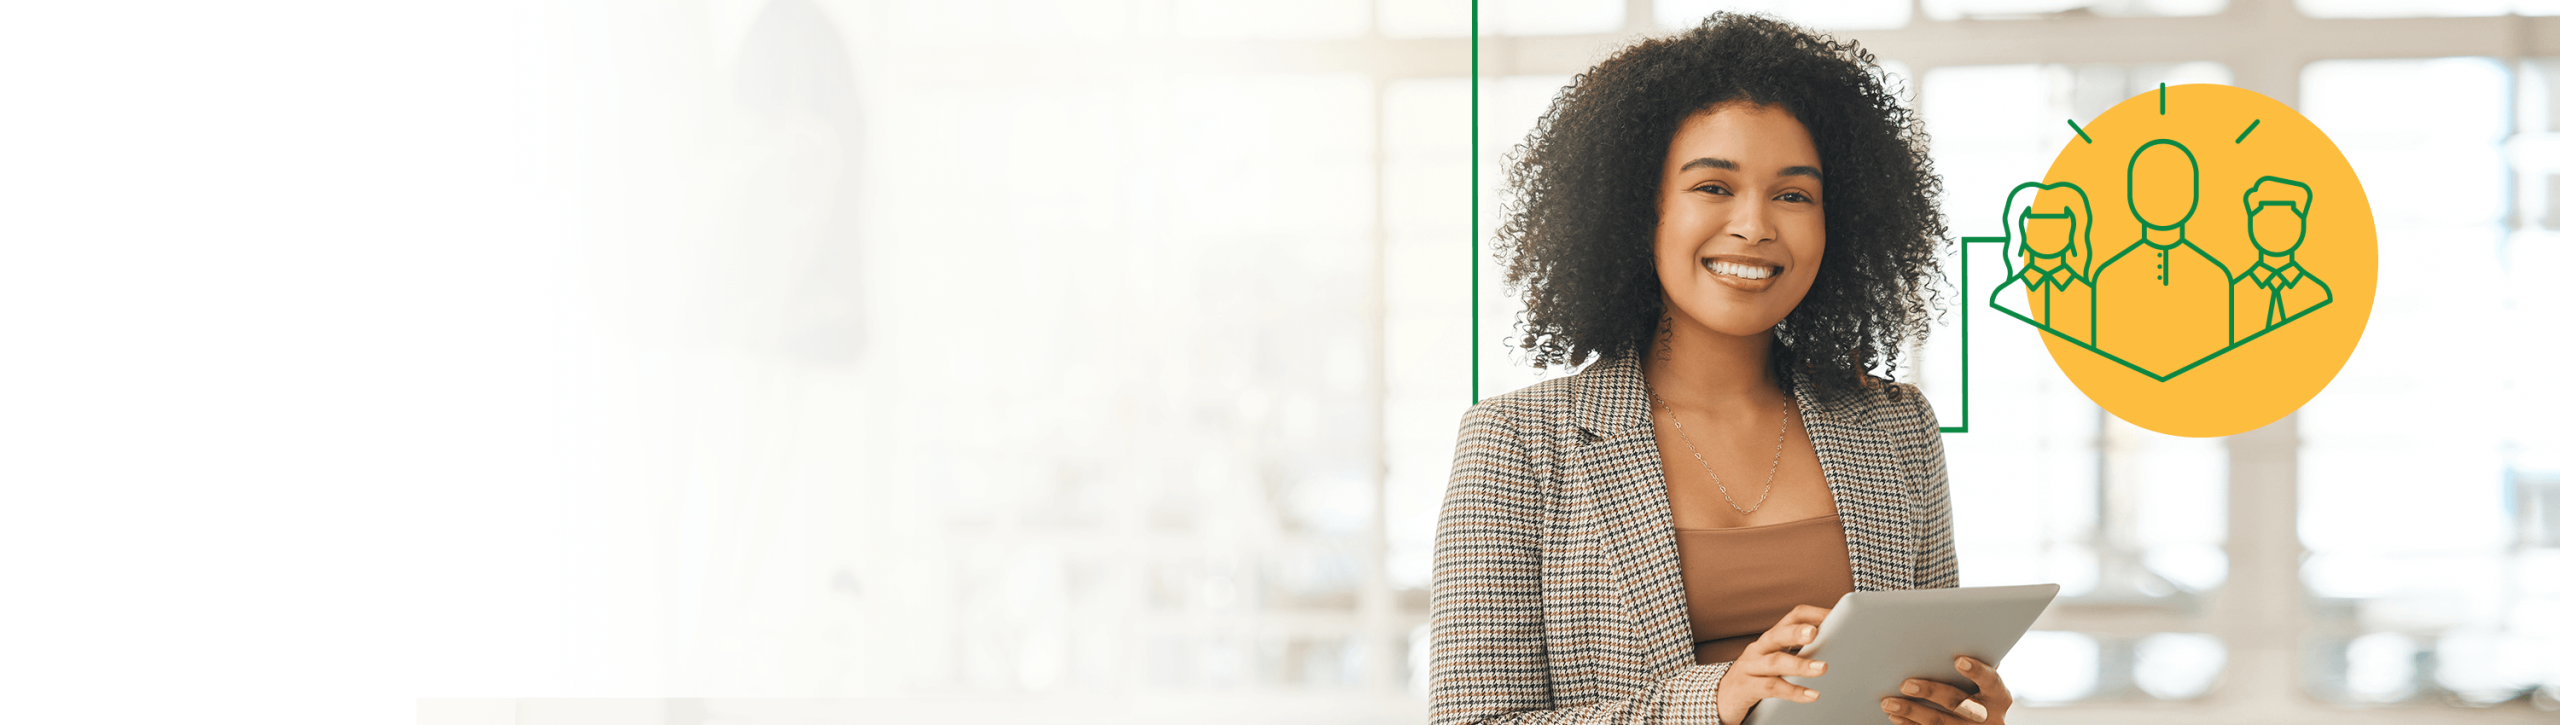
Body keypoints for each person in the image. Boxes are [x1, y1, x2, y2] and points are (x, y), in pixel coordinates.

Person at [1430, 14, 2006, 725]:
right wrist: (1717, 698)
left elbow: (1920, 678)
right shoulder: (1517, 443)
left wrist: (1956, 714)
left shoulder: (1896, 428)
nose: (1755, 225)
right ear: (1642, 209)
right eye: (1713, 187)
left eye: (1793, 194)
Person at [2091, 139, 2234, 376]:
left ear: (2193, 194)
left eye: (2174, 184)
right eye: (2151, 184)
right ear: (2132, 194)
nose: (2163, 195)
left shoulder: (2215, 277)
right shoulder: (2110, 277)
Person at [1988, 182, 2096, 345]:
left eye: (2060, 220)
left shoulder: (2088, 296)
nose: (2048, 228)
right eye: (2035, 219)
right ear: (2021, 229)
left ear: (2074, 228)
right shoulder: (2005, 297)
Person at [2230, 176, 2330, 339]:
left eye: (2288, 213)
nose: (2275, 221)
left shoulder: (2316, 295)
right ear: (2251, 221)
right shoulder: (2235, 295)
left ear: (2302, 223)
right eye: (2265, 212)